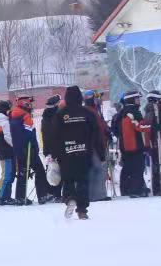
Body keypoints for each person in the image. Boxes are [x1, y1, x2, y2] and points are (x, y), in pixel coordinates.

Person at [48, 86, 101, 219]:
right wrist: (99, 151)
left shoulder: (60, 114)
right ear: (80, 97)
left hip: (66, 154)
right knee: (83, 180)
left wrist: (54, 153)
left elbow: (54, 135)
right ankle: (82, 210)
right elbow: (96, 132)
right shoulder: (87, 113)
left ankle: (70, 198)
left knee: (68, 179)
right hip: (84, 152)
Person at [114, 91, 150, 198]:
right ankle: (136, 190)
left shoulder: (122, 113)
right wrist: (151, 126)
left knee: (128, 168)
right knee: (137, 168)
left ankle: (126, 189)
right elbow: (139, 126)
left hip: (125, 146)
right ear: (132, 100)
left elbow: (117, 129)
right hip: (135, 145)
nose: (139, 101)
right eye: (137, 99)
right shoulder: (133, 112)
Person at [83, 90, 111, 201]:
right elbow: (97, 128)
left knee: (99, 169)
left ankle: (96, 194)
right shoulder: (90, 111)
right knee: (99, 168)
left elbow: (101, 125)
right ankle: (97, 195)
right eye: (97, 97)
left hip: (98, 142)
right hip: (95, 144)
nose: (99, 100)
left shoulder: (96, 110)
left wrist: (107, 131)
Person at [0, 100, 16, 203]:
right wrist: (15, 146)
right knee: (8, 175)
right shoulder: (5, 122)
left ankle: (1, 194)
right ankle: (4, 198)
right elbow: (7, 137)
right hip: (7, 151)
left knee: (5, 174)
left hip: (2, 151)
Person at [40, 95, 63, 202]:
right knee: (58, 172)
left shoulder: (45, 117)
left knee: (51, 171)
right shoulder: (56, 116)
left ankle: (51, 193)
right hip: (56, 148)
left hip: (48, 149)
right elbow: (55, 134)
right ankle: (56, 194)